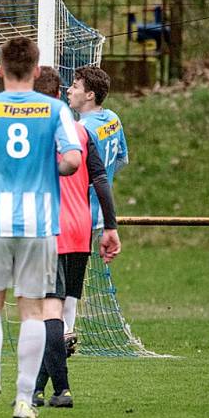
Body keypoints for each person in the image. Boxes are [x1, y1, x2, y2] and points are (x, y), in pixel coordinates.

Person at [0, 37, 82, 418]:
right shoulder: (56, 109)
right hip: (39, 222)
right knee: (31, 310)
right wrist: (49, 168)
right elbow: (73, 160)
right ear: (37, 70)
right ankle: (25, 398)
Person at [32, 66, 121, 408]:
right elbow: (100, 180)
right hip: (81, 229)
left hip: (49, 230)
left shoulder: (35, 132)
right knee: (62, 314)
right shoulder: (82, 133)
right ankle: (39, 390)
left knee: (49, 314)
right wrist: (110, 227)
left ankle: (61, 390)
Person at [65, 67, 129, 354]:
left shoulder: (81, 130)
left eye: (75, 86)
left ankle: (63, 331)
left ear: (89, 95)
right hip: (100, 209)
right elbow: (121, 160)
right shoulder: (112, 119)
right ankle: (65, 330)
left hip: (77, 209)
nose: (69, 90)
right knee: (73, 272)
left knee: (62, 273)